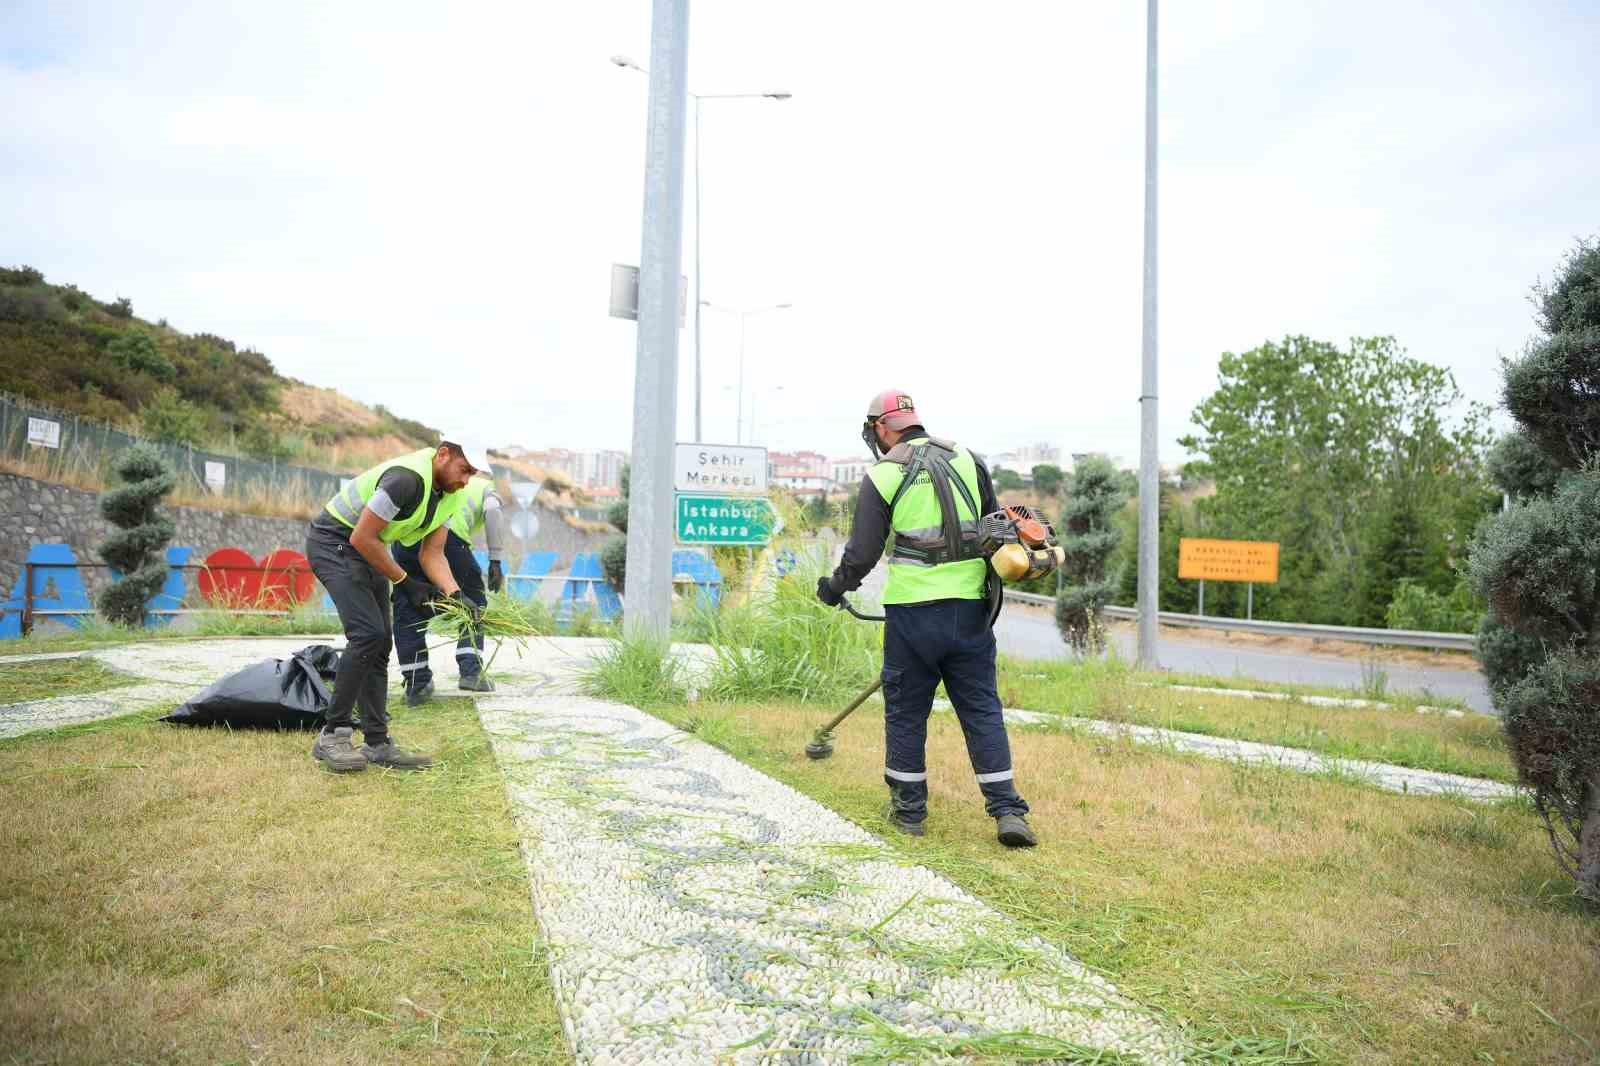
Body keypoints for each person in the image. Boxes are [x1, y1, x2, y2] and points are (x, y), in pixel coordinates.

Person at [816, 390, 1037, 847]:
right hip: (971, 610)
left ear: (880, 427)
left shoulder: (883, 474)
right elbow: (994, 525)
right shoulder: (968, 459)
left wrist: (834, 587)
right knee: (980, 709)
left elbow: (861, 554)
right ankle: (1008, 811)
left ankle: (910, 813)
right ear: (914, 420)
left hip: (913, 615)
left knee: (906, 711)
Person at [305, 438, 487, 773]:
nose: (466, 480)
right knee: (367, 635)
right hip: (335, 544)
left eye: (473, 474)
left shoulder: (451, 495)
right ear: (443, 454)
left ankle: (377, 743)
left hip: (366, 550)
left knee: (380, 642)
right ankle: (333, 736)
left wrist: (456, 594)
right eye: (464, 470)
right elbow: (361, 537)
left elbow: (432, 553)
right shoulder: (405, 479)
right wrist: (406, 582)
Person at [392, 471, 508, 705]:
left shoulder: (435, 479)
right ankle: (471, 672)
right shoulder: (486, 486)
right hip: (448, 540)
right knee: (473, 602)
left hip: (405, 540)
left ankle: (417, 682)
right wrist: (495, 559)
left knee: (409, 607)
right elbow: (493, 511)